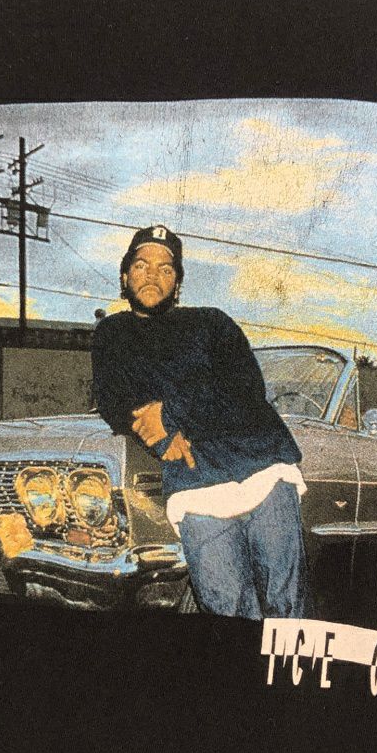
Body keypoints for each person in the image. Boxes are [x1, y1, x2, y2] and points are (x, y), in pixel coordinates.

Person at [91, 224, 310, 619]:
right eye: (141, 266)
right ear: (124, 276)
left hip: (263, 469)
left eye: (166, 269)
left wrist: (169, 414)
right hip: (195, 483)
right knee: (225, 608)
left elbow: (245, 391)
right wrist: (160, 438)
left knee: (285, 605)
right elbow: (115, 401)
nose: (153, 275)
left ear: (177, 284)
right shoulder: (112, 333)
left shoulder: (212, 323)